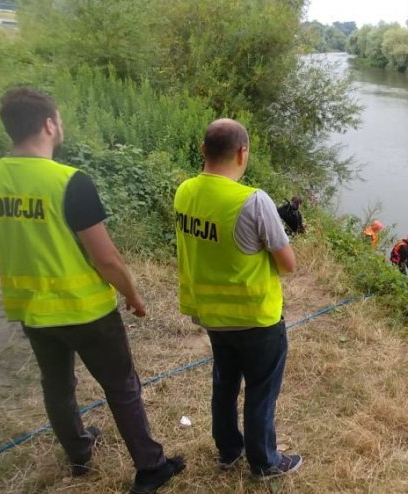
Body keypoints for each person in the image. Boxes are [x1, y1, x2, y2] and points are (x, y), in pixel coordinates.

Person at [0, 87, 184, 493]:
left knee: (57, 386)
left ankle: (80, 453)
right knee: (122, 387)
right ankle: (151, 467)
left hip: (32, 310)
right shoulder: (69, 182)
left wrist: (21, 276)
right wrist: (133, 296)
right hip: (88, 312)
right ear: (49, 124)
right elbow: (106, 259)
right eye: (59, 119)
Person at [173, 118, 302, 480]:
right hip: (256, 318)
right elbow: (287, 264)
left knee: (225, 383)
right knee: (261, 391)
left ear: (203, 151)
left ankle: (229, 450)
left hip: (213, 316)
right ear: (243, 152)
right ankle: (264, 463)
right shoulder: (254, 200)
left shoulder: (184, 192)